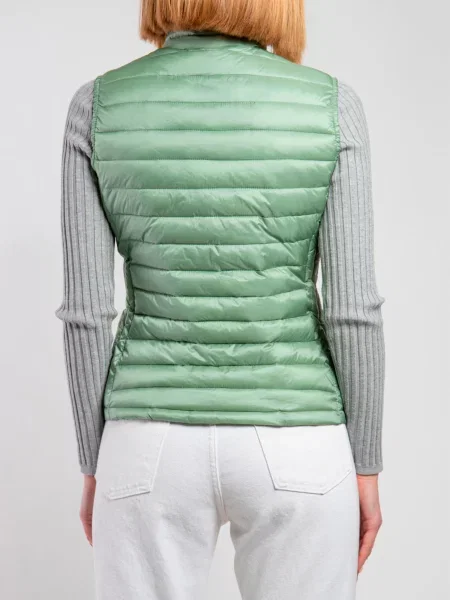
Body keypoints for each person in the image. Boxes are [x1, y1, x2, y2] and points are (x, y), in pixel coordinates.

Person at [55, 1, 386, 598]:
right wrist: (365, 463)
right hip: (298, 435)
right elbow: (351, 310)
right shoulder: (333, 106)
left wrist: (94, 460)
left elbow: (85, 314)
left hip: (148, 441)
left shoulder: (96, 106)